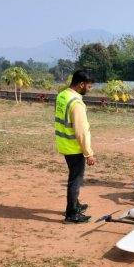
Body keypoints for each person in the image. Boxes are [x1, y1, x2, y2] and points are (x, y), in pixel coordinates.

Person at [54, 69, 96, 224]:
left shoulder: (62, 95)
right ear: (81, 84)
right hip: (74, 147)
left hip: (64, 144)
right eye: (89, 86)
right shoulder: (76, 103)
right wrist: (88, 153)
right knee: (75, 180)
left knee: (74, 177)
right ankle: (72, 214)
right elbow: (81, 132)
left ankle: (76, 205)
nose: (90, 89)